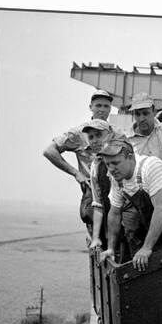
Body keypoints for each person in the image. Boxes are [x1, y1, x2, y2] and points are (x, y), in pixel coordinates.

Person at [98, 139, 162, 271]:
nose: (111, 169)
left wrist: (146, 248)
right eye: (108, 164)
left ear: (130, 157)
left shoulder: (151, 167)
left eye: (115, 163)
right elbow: (114, 213)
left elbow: (160, 209)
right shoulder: (117, 178)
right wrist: (111, 249)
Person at [42, 89, 114, 233]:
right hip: (91, 189)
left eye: (106, 106)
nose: (102, 110)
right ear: (91, 107)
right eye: (98, 106)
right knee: (96, 231)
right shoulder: (79, 133)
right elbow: (49, 151)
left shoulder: (115, 132)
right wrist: (75, 173)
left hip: (113, 190)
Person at [80, 119, 127, 251]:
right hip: (112, 223)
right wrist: (95, 237)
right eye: (91, 137)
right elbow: (98, 203)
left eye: (99, 135)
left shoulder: (124, 156)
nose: (94, 140)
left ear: (110, 135)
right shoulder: (95, 165)